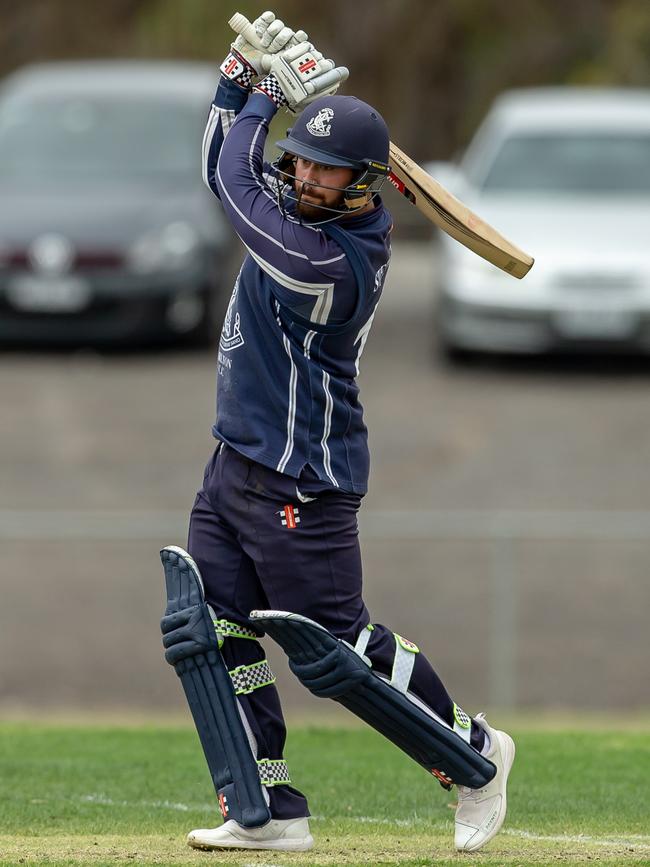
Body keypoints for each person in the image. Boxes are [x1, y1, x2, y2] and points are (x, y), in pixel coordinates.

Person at [160, 10, 514, 854]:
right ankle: (269, 807)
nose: (308, 178)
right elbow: (228, 166)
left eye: (328, 171)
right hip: (235, 461)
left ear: (366, 185)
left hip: (303, 478)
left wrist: (259, 104)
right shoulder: (298, 205)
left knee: (338, 651)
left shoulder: (330, 263)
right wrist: (240, 78)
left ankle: (474, 757)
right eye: (304, 161)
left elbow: (231, 184)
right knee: (209, 625)